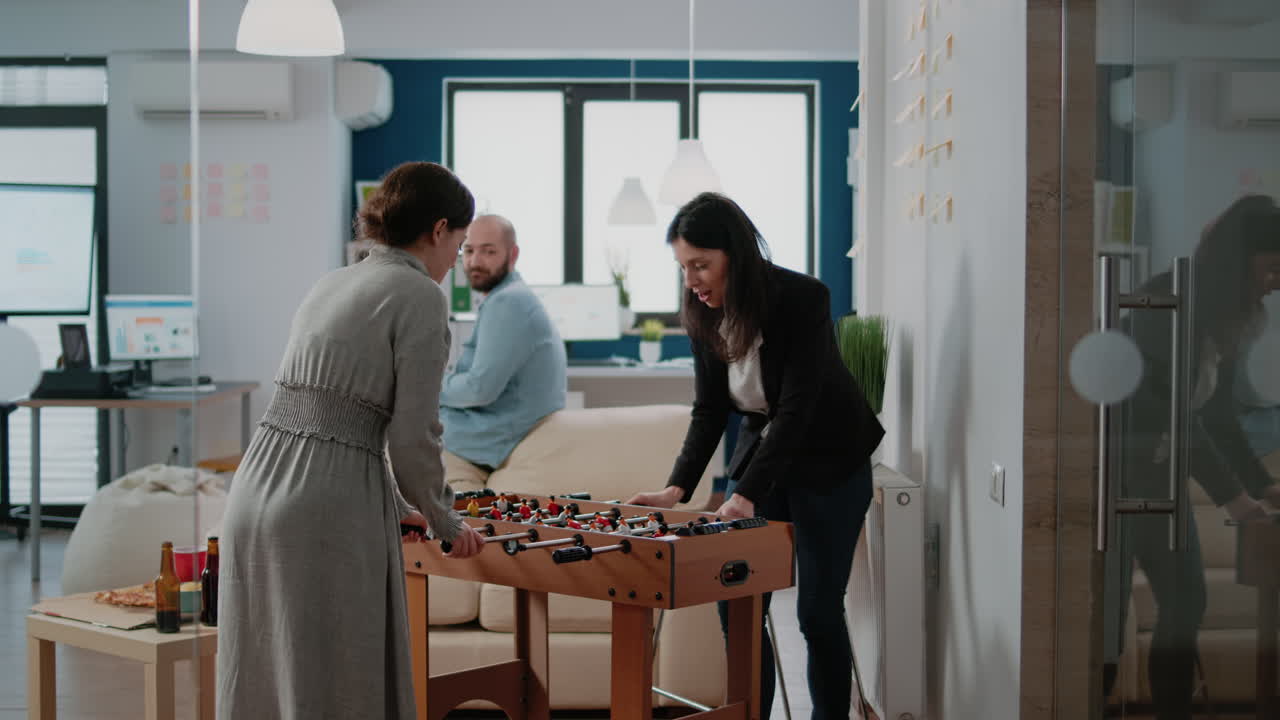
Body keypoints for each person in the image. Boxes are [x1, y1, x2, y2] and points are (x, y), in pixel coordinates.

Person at [217, 161, 486, 720]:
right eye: (459, 248)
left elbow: (327, 418)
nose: (454, 266)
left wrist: (396, 506)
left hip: (253, 491)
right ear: (438, 230)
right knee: (337, 679)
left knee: (267, 675)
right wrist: (444, 521)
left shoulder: (333, 280)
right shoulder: (419, 296)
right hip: (322, 507)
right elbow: (413, 436)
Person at [626, 192, 884, 720]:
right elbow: (709, 410)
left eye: (702, 264)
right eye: (683, 266)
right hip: (764, 457)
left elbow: (796, 409)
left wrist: (744, 495)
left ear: (735, 255)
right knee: (736, 601)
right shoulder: (701, 311)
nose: (692, 279)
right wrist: (677, 488)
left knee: (815, 613)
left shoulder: (802, 298)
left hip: (830, 460)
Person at [1103, 194, 1280, 718]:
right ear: (1239, 259)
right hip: (1116, 477)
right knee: (1106, 623)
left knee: (1186, 604)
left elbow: (1220, 414)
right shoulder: (1166, 302)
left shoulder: (1235, 318)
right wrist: (1235, 499)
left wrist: (1260, 482)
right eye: (1272, 269)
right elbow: (1178, 417)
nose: (1276, 283)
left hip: (1160, 477)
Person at [440, 214, 567, 489]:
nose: (475, 262)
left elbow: (479, 389)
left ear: (513, 254)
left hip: (494, 437)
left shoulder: (508, 303)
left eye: (489, 251)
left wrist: (430, 387)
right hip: (496, 430)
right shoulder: (511, 298)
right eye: (469, 251)